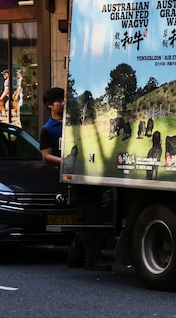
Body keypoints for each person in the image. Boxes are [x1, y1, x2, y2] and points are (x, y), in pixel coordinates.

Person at [38, 86, 111, 272]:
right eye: (58, 101)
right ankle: (92, 259)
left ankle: (75, 256)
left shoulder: (73, 123)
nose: (62, 103)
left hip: (87, 173)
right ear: (49, 105)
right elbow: (45, 156)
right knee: (89, 215)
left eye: (64, 99)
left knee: (93, 215)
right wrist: (66, 161)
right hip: (71, 178)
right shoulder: (48, 129)